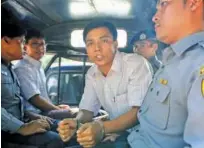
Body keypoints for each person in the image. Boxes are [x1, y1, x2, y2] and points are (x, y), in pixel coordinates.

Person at [57, 20, 152, 148]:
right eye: (90, 43)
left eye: (104, 41)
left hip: (143, 136)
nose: (97, 48)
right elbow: (87, 110)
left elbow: (138, 112)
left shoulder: (135, 64)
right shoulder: (92, 73)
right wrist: (76, 122)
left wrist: (102, 128)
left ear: (115, 44)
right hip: (114, 133)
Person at [128, 0, 204, 148]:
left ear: (193, 3)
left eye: (163, 4)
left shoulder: (199, 63)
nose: (154, 17)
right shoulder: (173, 59)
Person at [1, 22, 64, 148]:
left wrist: (34, 117)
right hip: (6, 131)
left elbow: (14, 104)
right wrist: (22, 127)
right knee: (55, 140)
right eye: (21, 41)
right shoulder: (19, 68)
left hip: (20, 120)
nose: (23, 46)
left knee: (63, 127)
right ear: (5, 41)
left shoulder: (9, 69)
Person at [14, 29, 75, 120]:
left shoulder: (38, 67)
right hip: (34, 116)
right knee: (78, 114)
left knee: (91, 112)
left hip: (44, 112)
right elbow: (35, 99)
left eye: (42, 44)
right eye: (35, 44)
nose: (40, 48)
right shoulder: (22, 68)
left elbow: (43, 97)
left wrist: (56, 107)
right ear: (25, 47)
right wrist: (57, 109)